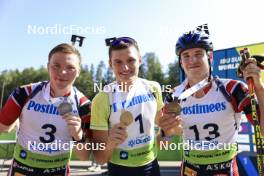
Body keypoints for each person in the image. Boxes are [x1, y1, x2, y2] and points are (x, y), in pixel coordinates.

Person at [168, 27, 264, 176]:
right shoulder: (174, 95)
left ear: (210, 56)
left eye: (198, 54)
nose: (192, 60)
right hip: (189, 169)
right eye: (186, 55)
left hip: (225, 170)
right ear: (181, 62)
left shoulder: (233, 89)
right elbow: (166, 134)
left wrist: (259, 88)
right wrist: (167, 129)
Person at [89, 37, 180, 176]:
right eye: (118, 62)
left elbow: (162, 130)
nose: (125, 68)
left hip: (152, 167)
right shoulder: (101, 99)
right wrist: (111, 142)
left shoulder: (153, 88)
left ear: (140, 60)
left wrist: (169, 130)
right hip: (119, 169)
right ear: (110, 64)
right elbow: (100, 159)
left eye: (130, 60)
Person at [0, 43, 92, 175]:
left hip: (58, 171)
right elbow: (2, 127)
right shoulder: (24, 93)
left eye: (70, 67)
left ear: (78, 72)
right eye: (56, 66)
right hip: (22, 169)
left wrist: (78, 137)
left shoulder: (83, 105)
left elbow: (84, 156)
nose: (62, 72)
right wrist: (10, 122)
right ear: (48, 66)